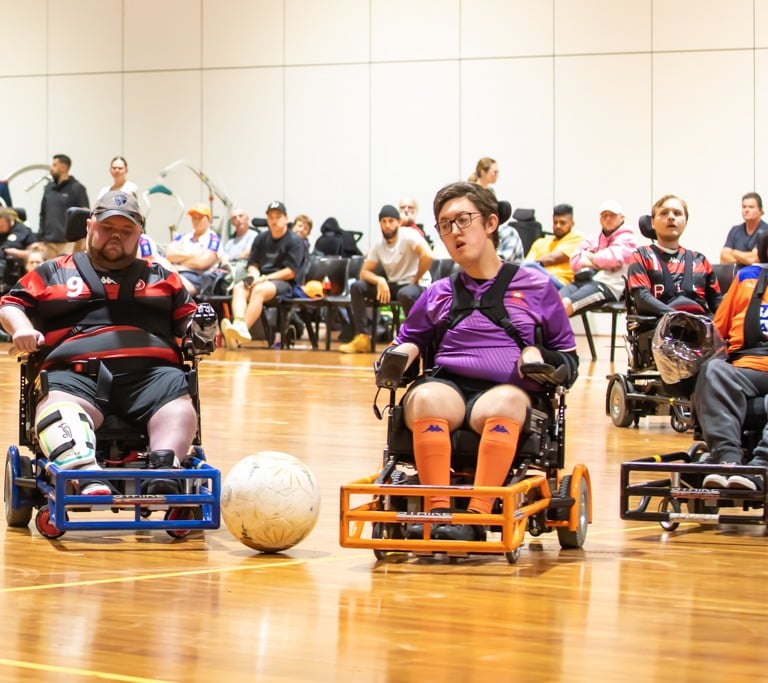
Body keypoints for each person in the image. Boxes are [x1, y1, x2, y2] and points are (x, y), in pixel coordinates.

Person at [376, 181, 578, 541]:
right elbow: (409, 339)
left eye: (463, 220)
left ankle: (476, 517)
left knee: (507, 401)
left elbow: (568, 359)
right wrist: (401, 353)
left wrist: (538, 354)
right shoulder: (437, 292)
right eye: (445, 225)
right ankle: (437, 512)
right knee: (425, 398)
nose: (454, 231)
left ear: (490, 223)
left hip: (507, 392)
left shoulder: (537, 287)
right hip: (449, 388)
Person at [0, 190, 199, 496]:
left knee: (179, 406)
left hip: (153, 378)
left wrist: (200, 329)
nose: (116, 235)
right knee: (59, 409)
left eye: (126, 230)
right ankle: (85, 473)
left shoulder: (164, 278)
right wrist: (22, 328)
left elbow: (190, 320)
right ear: (89, 225)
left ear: (140, 234)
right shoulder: (53, 271)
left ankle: (164, 470)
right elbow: (11, 304)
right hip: (75, 376)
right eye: (107, 227)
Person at [693, 230, 768, 492]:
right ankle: (728, 462)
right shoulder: (747, 277)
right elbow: (717, 332)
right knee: (713, 370)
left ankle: (761, 468)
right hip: (745, 366)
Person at [338, 204, 433, 354]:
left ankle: (414, 339)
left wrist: (417, 277)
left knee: (405, 294)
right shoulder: (378, 244)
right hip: (395, 285)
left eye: (391, 221)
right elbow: (364, 272)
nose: (387, 225)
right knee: (357, 287)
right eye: (384, 221)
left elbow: (428, 255)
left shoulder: (409, 235)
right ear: (380, 223)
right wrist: (380, 280)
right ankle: (362, 337)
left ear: (398, 222)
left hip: (417, 284)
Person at [220, 201, 306, 348]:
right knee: (239, 287)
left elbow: (290, 272)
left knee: (259, 290)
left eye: (278, 216)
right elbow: (252, 263)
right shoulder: (260, 238)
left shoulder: (295, 241)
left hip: (284, 283)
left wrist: (265, 278)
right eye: (271, 217)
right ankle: (238, 323)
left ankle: (240, 333)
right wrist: (254, 275)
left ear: (286, 218)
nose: (274, 220)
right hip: (260, 278)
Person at [627, 194, 721, 316]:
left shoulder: (700, 260)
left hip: (700, 325)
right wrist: (680, 318)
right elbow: (642, 299)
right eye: (664, 213)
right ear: (652, 223)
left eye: (677, 213)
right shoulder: (641, 255)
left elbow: (718, 305)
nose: (671, 217)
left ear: (685, 221)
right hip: (660, 324)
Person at [559, 199, 637, 316]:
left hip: (607, 286)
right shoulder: (592, 239)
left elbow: (611, 259)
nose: (608, 219)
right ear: (600, 219)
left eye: (612, 215)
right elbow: (574, 262)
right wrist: (601, 263)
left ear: (622, 217)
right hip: (583, 280)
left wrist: (590, 257)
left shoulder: (628, 239)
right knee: (552, 302)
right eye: (604, 215)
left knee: (565, 305)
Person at [36, 154, 90, 260]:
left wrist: (83, 239)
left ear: (63, 167)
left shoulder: (77, 188)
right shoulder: (49, 188)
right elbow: (43, 213)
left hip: (70, 243)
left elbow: (84, 214)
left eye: (54, 165)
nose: (51, 168)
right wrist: (41, 238)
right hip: (49, 243)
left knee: (68, 269)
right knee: (50, 270)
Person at [164, 203, 222, 295]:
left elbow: (201, 263)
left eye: (200, 217)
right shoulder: (182, 237)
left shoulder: (213, 240)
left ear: (209, 219)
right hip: (173, 272)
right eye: (194, 217)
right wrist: (192, 255)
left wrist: (178, 260)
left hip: (195, 278)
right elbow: (169, 255)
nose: (196, 221)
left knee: (168, 290)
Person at [524, 203, 584, 289]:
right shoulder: (540, 242)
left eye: (562, 223)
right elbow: (526, 264)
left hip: (560, 283)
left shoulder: (577, 238)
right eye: (555, 222)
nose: (558, 226)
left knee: (529, 266)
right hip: (536, 280)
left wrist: (535, 265)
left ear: (572, 223)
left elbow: (552, 258)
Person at [720, 192, 768, 270]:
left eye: (751, 207)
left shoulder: (766, 231)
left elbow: (754, 259)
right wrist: (745, 259)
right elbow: (723, 257)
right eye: (744, 207)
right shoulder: (735, 230)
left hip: (756, 275)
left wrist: (734, 252)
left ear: (760, 210)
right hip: (736, 274)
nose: (746, 210)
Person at [0, 207, 37, 292]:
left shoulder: (22, 230)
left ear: (10, 220)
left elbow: (35, 251)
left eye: (1, 226)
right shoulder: (2, 232)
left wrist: (15, 252)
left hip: (15, 262)